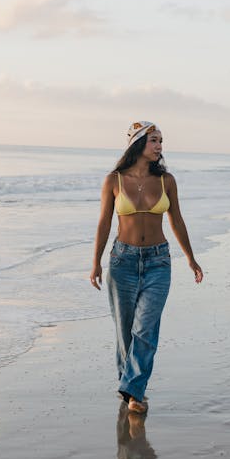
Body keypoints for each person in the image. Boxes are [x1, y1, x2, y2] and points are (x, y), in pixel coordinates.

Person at [90, 121, 203, 414]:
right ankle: (128, 387)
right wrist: (96, 263)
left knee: (145, 329)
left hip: (158, 262)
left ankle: (135, 393)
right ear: (138, 143)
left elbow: (177, 220)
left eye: (161, 141)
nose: (160, 146)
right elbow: (104, 223)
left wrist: (190, 258)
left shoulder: (167, 181)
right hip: (121, 262)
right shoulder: (113, 180)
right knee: (125, 331)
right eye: (154, 140)